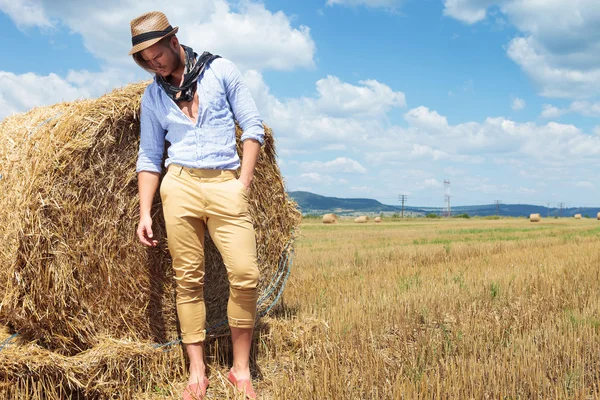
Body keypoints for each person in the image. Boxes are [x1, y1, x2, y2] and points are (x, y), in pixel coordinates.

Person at [129, 11, 263, 400]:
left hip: (225, 183)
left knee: (245, 274)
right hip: (180, 186)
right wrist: (143, 212)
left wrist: (243, 184)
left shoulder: (220, 71)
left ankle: (240, 369)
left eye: (156, 54)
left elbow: (252, 126)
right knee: (188, 281)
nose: (153, 64)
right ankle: (197, 372)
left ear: (174, 40)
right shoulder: (153, 95)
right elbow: (150, 157)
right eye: (145, 60)